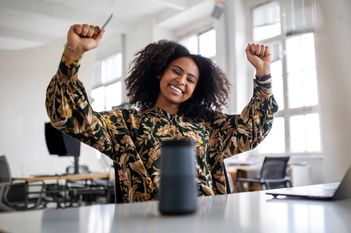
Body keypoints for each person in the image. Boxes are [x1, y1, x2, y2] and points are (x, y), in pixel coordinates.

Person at [45, 24, 278, 202]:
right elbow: (69, 117)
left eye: (190, 79)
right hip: (146, 224)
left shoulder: (208, 126)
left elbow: (252, 130)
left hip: (205, 222)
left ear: (196, 90)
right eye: (176, 71)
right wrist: (73, 53)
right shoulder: (126, 124)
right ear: (159, 73)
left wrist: (263, 73)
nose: (181, 81)